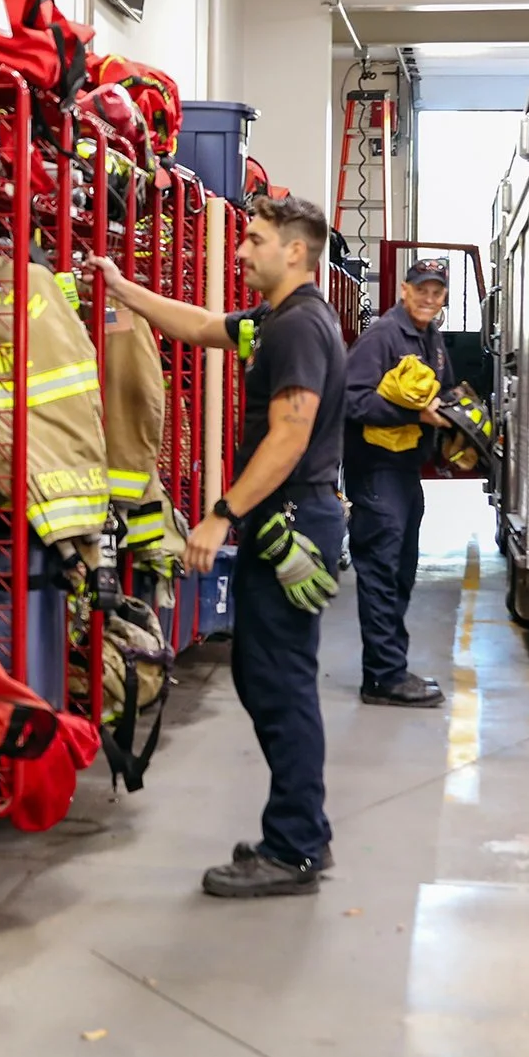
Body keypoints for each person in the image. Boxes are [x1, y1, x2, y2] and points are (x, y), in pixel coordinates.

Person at [95, 194, 348, 898]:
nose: (240, 250)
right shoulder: (275, 320)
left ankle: (295, 847)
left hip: (290, 521)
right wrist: (123, 290)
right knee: (265, 676)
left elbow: (289, 436)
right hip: (285, 518)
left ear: (294, 251)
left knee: (280, 682)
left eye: (255, 240)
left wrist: (220, 514)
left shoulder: (299, 328)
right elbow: (204, 326)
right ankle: (303, 831)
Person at [341, 256, 454, 708]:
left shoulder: (431, 337)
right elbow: (351, 400)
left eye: (436, 291)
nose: (428, 297)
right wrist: (413, 415)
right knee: (381, 572)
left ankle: (391, 667)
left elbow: (441, 391)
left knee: (402, 572)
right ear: (404, 290)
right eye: (421, 289)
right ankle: (382, 678)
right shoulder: (383, 336)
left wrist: (460, 418)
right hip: (376, 470)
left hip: (406, 470)